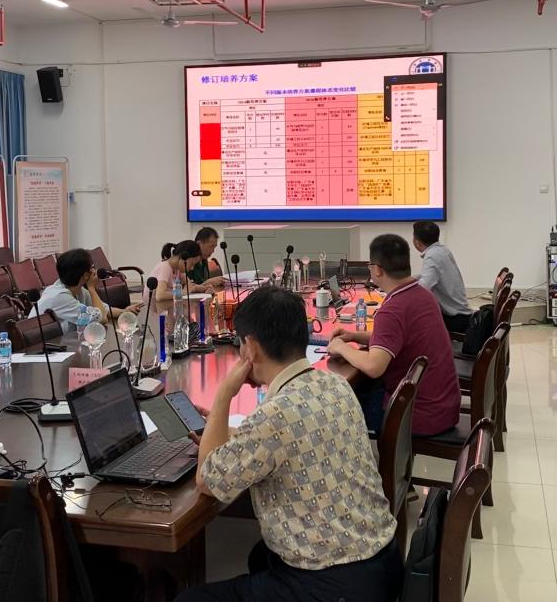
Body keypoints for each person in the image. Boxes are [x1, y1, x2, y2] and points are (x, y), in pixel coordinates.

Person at [177, 286, 401, 602]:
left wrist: (224, 394)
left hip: (335, 586)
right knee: (260, 556)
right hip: (381, 562)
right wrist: (225, 432)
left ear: (251, 347)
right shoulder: (334, 383)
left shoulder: (273, 416)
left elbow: (208, 480)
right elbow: (288, 436)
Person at [328, 234, 460, 436]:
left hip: (414, 415)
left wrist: (341, 347)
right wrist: (353, 336)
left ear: (377, 269)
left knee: (334, 409)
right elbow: (398, 337)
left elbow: (374, 366)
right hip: (444, 407)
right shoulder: (423, 295)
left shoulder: (393, 309)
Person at [37, 248, 141, 334]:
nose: (95, 271)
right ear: (85, 275)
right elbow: (101, 319)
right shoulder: (60, 296)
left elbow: (103, 309)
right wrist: (91, 288)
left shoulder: (78, 289)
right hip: (39, 347)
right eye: (92, 267)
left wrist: (125, 312)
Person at [411, 220, 473, 334]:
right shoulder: (442, 250)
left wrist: (401, 292)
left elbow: (422, 288)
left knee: (411, 320)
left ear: (417, 242)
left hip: (455, 319)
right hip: (461, 314)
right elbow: (428, 275)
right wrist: (408, 280)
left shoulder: (432, 256)